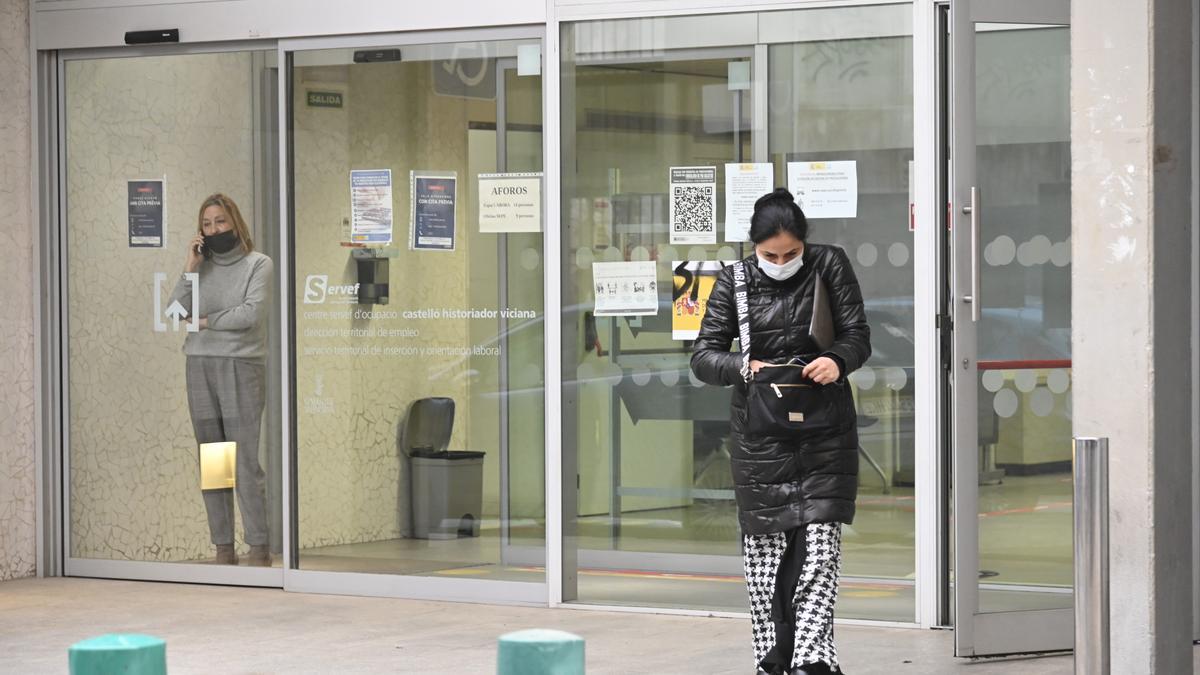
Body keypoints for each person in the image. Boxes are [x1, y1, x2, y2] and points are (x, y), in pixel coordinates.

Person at [691, 188, 870, 675]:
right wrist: (745, 366)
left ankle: (815, 659)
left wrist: (837, 360)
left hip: (825, 431)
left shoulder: (829, 266)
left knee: (820, 547)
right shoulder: (734, 282)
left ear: (805, 244)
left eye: (792, 253)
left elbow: (858, 334)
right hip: (761, 437)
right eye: (770, 255)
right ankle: (774, 657)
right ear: (753, 248)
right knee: (767, 553)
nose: (782, 262)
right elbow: (703, 356)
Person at [168, 193, 273, 566]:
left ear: (236, 223)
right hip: (199, 364)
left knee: (243, 460)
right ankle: (223, 548)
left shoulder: (258, 265)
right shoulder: (200, 267)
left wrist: (206, 321)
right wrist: (190, 267)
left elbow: (250, 314)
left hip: (241, 366)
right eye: (208, 224)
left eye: (221, 222)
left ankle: (259, 547)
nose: (215, 230)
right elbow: (174, 310)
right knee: (214, 461)